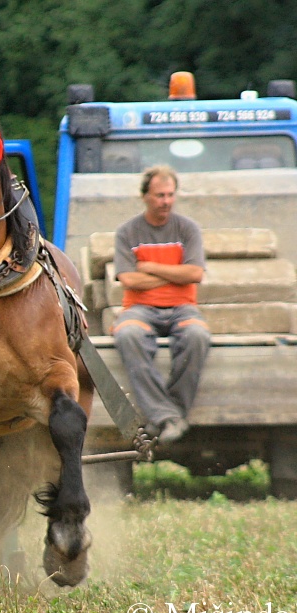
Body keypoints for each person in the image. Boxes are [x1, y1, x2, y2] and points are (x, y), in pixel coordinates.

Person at [112, 165, 211, 446]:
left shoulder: (187, 229)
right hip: (139, 308)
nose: (165, 201)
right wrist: (173, 274)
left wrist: (152, 267)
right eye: (159, 195)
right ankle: (171, 418)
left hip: (183, 307)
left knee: (197, 335)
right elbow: (129, 279)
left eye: (170, 195)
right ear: (145, 196)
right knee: (128, 334)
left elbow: (195, 274)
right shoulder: (128, 232)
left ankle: (168, 415)